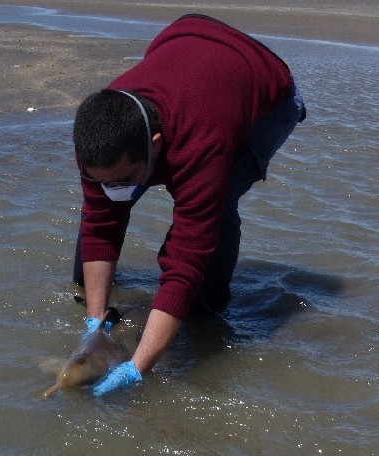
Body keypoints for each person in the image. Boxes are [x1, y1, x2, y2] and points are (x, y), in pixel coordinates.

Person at [71, 14, 306, 396]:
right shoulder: (98, 139)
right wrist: (93, 323)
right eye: (102, 179)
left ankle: (206, 312)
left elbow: (187, 257)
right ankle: (97, 305)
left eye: (124, 178)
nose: (111, 187)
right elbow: (99, 222)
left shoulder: (202, 145)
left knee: (216, 207)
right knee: (102, 220)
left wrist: (137, 367)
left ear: (157, 146)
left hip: (266, 94)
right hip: (186, 42)